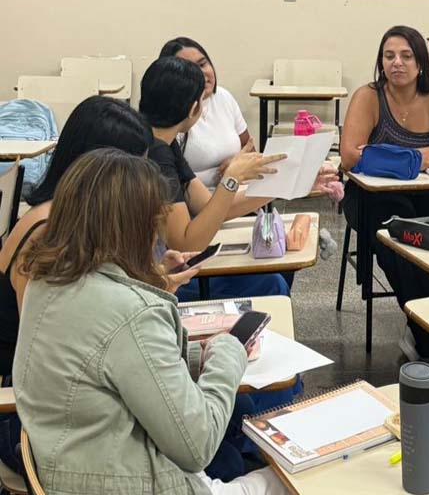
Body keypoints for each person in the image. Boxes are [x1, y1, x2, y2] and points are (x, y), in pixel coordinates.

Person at [14, 148, 288, 495]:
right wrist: (228, 351)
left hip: (77, 469)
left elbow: (113, 363)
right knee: (294, 476)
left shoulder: (46, 283)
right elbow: (197, 444)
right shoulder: (130, 312)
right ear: (135, 228)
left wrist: (194, 351)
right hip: (131, 482)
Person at [0, 97, 202, 474]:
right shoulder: (48, 230)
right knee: (195, 434)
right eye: (133, 166)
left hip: (67, 402)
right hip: (29, 420)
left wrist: (153, 279)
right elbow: (50, 343)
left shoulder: (72, 220)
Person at [340, 24, 429, 361]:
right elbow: (351, 156)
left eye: (406, 56)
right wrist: (419, 158)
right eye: (389, 56)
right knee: (397, 235)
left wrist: (392, 157)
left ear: (420, 63)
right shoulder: (369, 96)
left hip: (426, 189)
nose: (397, 63)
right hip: (369, 194)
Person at [138, 56, 290, 299]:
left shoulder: (163, 143)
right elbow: (187, 244)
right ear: (193, 109)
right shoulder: (157, 156)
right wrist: (231, 179)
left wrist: (287, 185)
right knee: (271, 284)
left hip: (150, 269)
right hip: (153, 280)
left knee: (276, 269)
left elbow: (210, 206)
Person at [159, 37, 255, 189]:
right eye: (189, 70)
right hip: (197, 197)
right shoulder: (167, 115)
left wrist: (237, 165)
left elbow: (249, 150)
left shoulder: (223, 97)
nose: (201, 74)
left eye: (203, 64)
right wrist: (227, 175)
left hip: (236, 189)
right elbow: (168, 180)